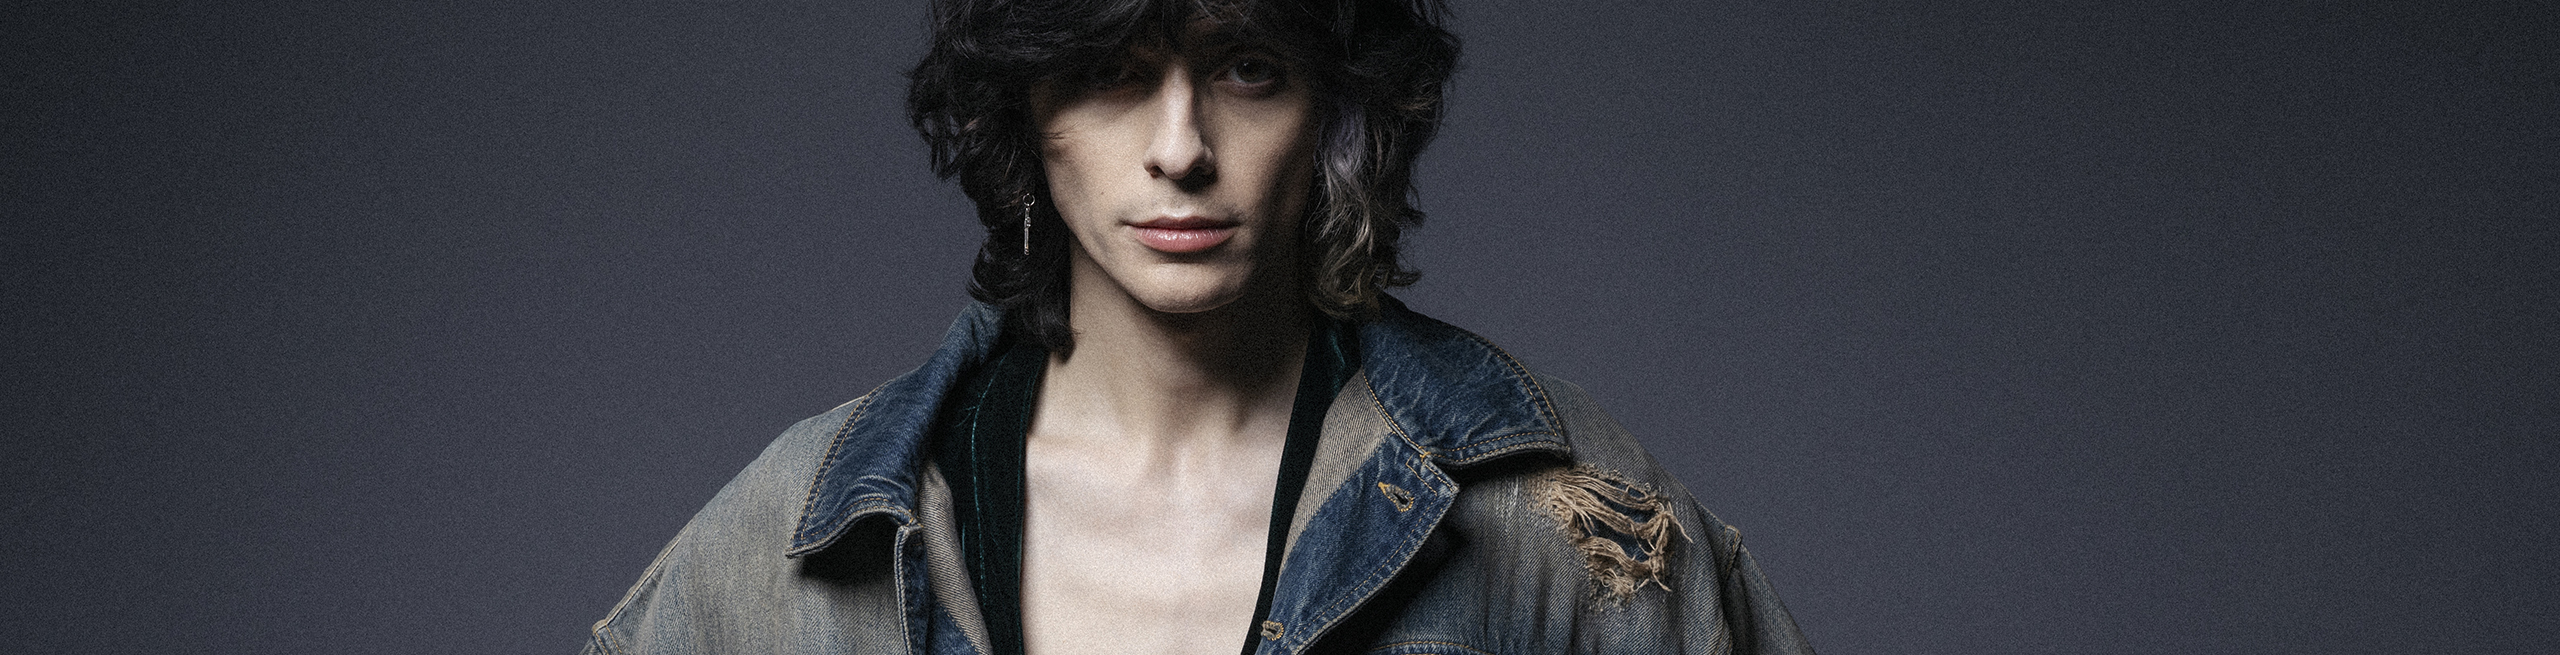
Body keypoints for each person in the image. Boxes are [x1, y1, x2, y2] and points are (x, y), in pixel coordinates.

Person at [580, 1, 1815, 653]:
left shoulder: (1555, 521)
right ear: (1023, 109)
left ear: (1337, 107)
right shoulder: (800, 547)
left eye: (1248, 68)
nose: (1179, 148)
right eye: (1111, 71)